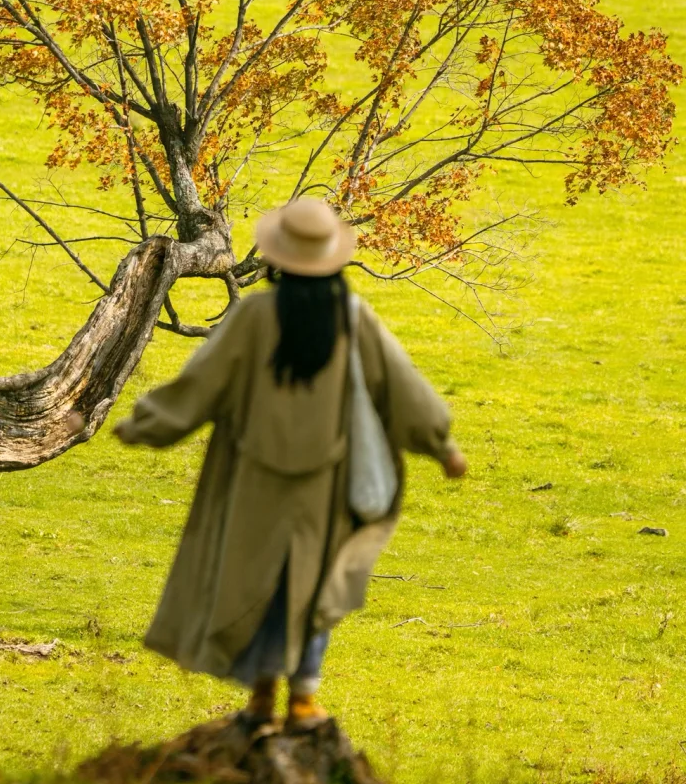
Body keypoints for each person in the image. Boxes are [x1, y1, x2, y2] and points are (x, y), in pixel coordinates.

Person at [114, 197, 467, 733]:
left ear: (277, 259)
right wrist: (441, 447)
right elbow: (401, 387)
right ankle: (303, 700)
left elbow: (202, 383)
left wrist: (145, 424)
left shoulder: (255, 316)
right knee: (315, 586)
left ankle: (259, 701)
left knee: (258, 582)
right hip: (327, 483)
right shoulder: (352, 318)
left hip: (253, 477)